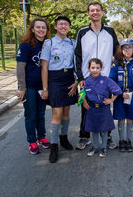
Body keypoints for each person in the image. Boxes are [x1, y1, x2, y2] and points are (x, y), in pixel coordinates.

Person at [74, 1, 119, 150]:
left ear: (102, 13)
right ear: (88, 14)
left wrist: (114, 73)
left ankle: (107, 136)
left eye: (97, 10)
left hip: (105, 79)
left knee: (105, 108)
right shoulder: (82, 32)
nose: (95, 12)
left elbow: (117, 53)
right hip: (86, 79)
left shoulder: (111, 31)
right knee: (85, 106)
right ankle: (84, 136)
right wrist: (80, 77)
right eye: (92, 10)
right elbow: (77, 56)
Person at [41, 16, 78, 163]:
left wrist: (76, 81)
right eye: (60, 24)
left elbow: (77, 63)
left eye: (66, 24)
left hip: (69, 77)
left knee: (67, 111)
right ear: (55, 27)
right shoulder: (48, 43)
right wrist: (45, 88)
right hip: (54, 79)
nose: (63, 26)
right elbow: (44, 67)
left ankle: (64, 138)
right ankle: (54, 145)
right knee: (57, 112)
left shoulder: (73, 43)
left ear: (69, 27)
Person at [16, 18, 51, 154]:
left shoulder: (47, 45)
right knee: (31, 115)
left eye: (43, 27)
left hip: (42, 86)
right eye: (38, 27)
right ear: (32, 29)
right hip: (29, 86)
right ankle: (32, 141)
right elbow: (20, 68)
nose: (41, 30)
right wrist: (22, 88)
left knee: (41, 114)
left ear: (47, 30)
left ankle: (41, 137)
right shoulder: (25, 45)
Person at [109, 38, 133, 152]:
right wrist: (120, 92)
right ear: (121, 50)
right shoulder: (116, 64)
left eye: (130, 47)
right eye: (125, 48)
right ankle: (121, 140)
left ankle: (128, 140)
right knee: (121, 118)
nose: (127, 50)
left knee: (130, 118)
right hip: (120, 96)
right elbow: (112, 80)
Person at [83, 58, 122, 157]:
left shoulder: (106, 80)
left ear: (101, 69)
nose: (95, 70)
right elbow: (82, 93)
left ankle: (104, 147)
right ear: (89, 68)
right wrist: (84, 102)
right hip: (92, 108)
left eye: (97, 68)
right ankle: (95, 147)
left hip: (103, 108)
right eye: (93, 68)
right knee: (94, 129)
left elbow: (117, 90)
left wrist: (111, 100)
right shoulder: (87, 81)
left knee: (104, 129)